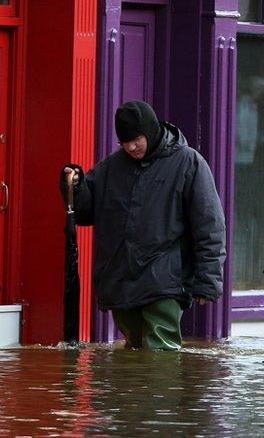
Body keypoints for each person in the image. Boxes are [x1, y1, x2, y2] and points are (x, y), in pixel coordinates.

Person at [60, 101, 226, 350]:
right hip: (122, 280)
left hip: (165, 280)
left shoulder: (188, 163)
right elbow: (85, 213)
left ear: (150, 131)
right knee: (135, 351)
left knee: (159, 352)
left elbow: (209, 226)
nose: (131, 146)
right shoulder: (110, 168)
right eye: (124, 142)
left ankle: (158, 389)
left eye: (136, 139)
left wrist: (207, 281)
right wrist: (74, 187)